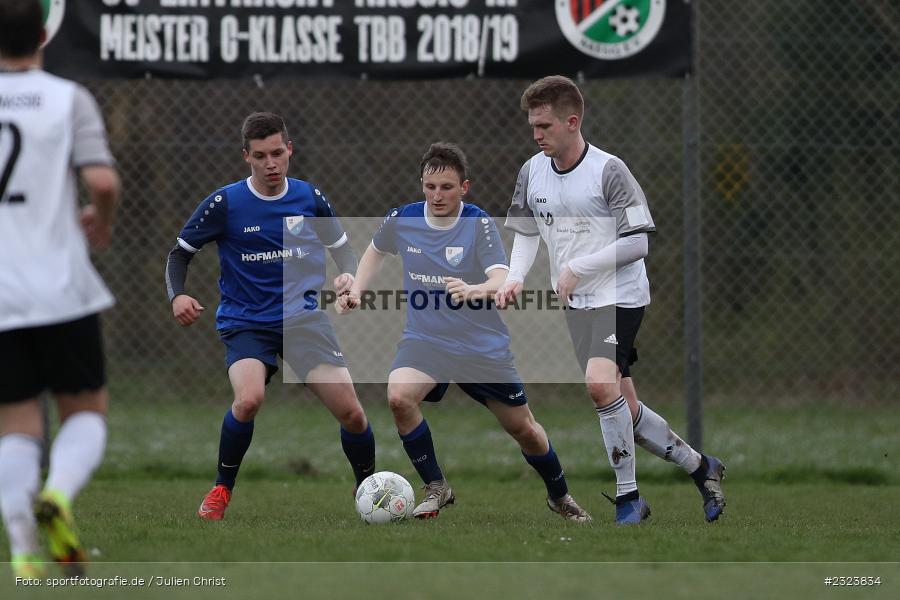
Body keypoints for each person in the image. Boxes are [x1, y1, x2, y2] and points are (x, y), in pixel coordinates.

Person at [496, 75, 726, 525]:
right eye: (532, 126)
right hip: (577, 304)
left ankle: (629, 500)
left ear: (572, 121)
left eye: (544, 125)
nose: (536, 134)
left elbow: (638, 242)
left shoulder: (609, 170)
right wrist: (514, 277)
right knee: (627, 411)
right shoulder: (532, 172)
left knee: (600, 385)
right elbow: (525, 234)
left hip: (619, 295)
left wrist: (580, 268)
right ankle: (702, 468)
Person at [338, 142, 591, 522]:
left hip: (480, 347)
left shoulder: (478, 223)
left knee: (525, 430)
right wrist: (356, 288)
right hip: (426, 341)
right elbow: (375, 250)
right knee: (399, 397)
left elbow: (502, 277)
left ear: (464, 186)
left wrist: (476, 290)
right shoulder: (403, 218)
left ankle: (560, 495)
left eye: (447, 187)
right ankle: (437, 486)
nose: (437, 195)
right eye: (430, 187)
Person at [165, 112, 375, 521]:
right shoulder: (225, 203)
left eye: (278, 153)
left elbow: (343, 248)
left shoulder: (310, 197)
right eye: (260, 156)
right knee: (248, 400)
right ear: (247, 156)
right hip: (247, 322)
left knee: (352, 413)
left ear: (289, 149)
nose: (271, 163)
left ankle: (368, 487)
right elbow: (179, 255)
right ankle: (221, 489)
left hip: (304, 322)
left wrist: (348, 275)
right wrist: (178, 296)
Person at [0, 0, 120, 578]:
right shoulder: (67, 98)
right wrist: (102, 217)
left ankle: (23, 548)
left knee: (16, 424)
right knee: (86, 411)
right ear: (44, 34)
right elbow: (100, 178)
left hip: (1, 297)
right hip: (62, 288)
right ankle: (59, 495)